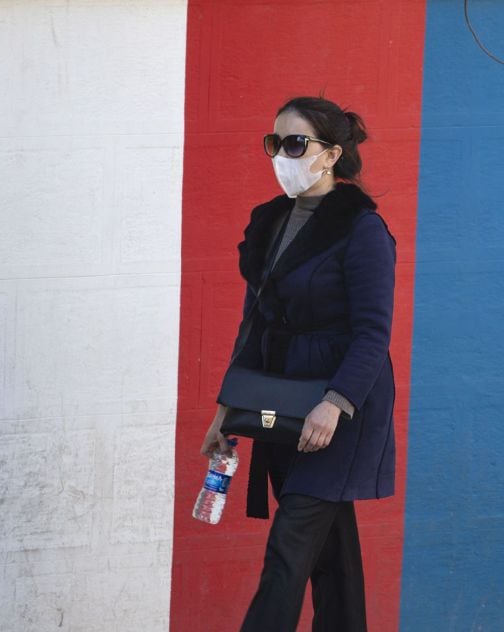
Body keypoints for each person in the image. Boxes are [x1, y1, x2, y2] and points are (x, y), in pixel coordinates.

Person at [199, 96, 397, 632]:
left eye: (294, 144)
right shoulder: (269, 223)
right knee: (331, 555)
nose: (280, 155)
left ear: (331, 155)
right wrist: (227, 411)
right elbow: (253, 326)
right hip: (283, 402)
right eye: (274, 143)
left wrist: (335, 405)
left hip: (340, 408)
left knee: (290, 548)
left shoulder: (362, 230)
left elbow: (373, 334)